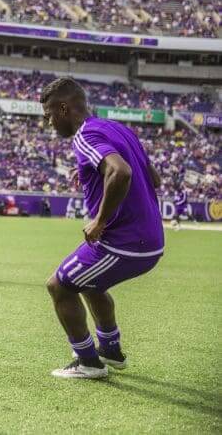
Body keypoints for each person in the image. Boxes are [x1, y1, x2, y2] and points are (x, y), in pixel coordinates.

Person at [40, 77, 164, 379]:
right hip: (151, 239)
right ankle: (110, 351)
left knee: (58, 285)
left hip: (123, 241)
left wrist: (101, 220)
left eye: (49, 115)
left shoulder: (85, 136)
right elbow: (154, 178)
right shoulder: (119, 129)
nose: (49, 123)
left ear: (64, 108)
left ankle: (88, 362)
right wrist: (88, 170)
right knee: (91, 284)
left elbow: (120, 172)